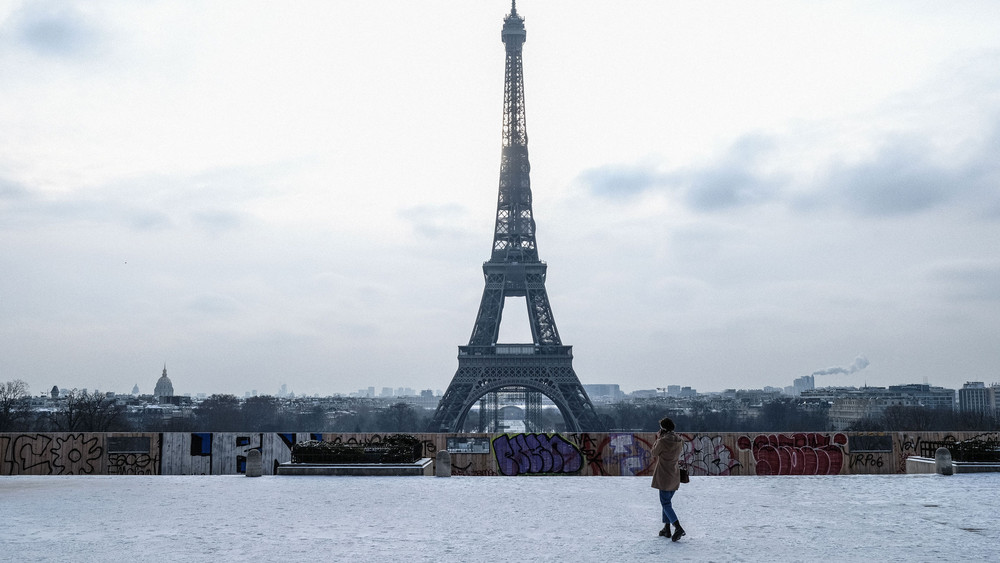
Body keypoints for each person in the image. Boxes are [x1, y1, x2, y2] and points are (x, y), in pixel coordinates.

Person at [651, 416, 686, 541]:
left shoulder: (662, 441)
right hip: (674, 475)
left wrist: (658, 438)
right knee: (667, 502)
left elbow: (654, 453)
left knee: (665, 503)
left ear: (663, 429)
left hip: (664, 475)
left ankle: (678, 527)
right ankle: (667, 529)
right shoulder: (679, 440)